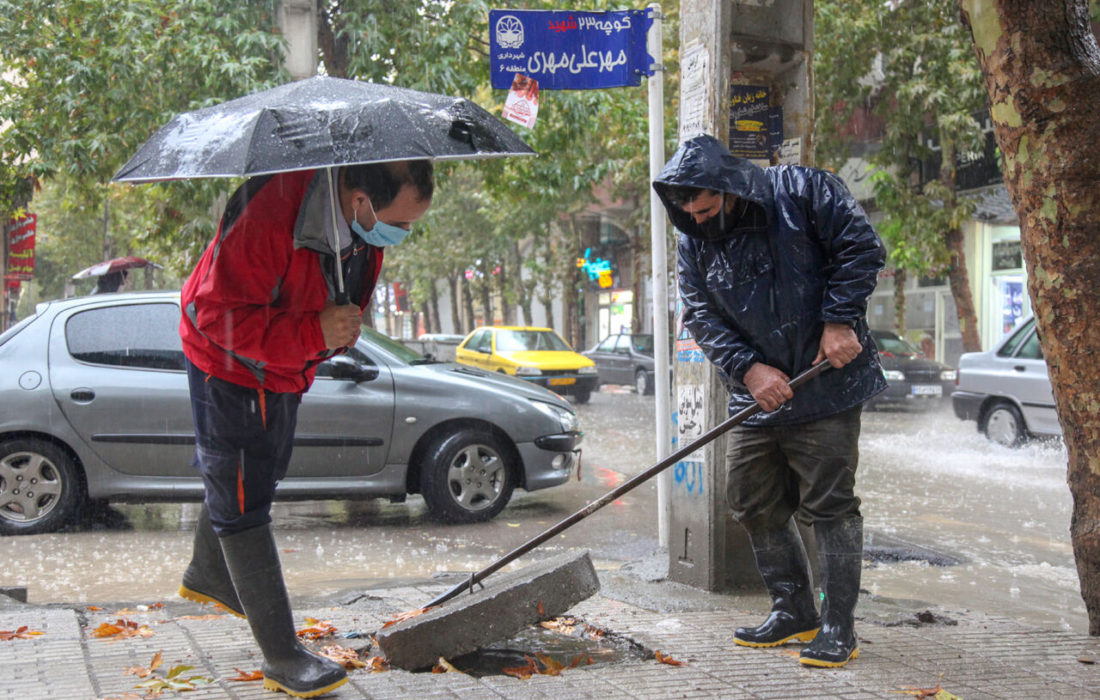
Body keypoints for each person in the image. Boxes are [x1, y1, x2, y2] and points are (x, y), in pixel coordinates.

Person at [177, 161, 433, 697]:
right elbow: (214, 315)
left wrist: (327, 332)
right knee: (245, 501)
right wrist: (313, 329)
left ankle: (208, 573)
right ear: (360, 199)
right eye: (400, 223)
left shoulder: (363, 226)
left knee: (257, 473)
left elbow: (345, 293)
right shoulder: (269, 214)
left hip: (288, 366)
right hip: (228, 364)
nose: (402, 235)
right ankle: (282, 656)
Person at [653, 135, 886, 669]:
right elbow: (700, 314)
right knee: (750, 499)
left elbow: (861, 248)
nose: (700, 222)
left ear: (730, 190)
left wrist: (839, 318)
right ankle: (793, 606)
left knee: (829, 504)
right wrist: (749, 369)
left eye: (708, 209)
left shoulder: (805, 190)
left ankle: (837, 625)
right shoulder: (693, 237)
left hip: (825, 382)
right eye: (688, 212)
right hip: (754, 395)